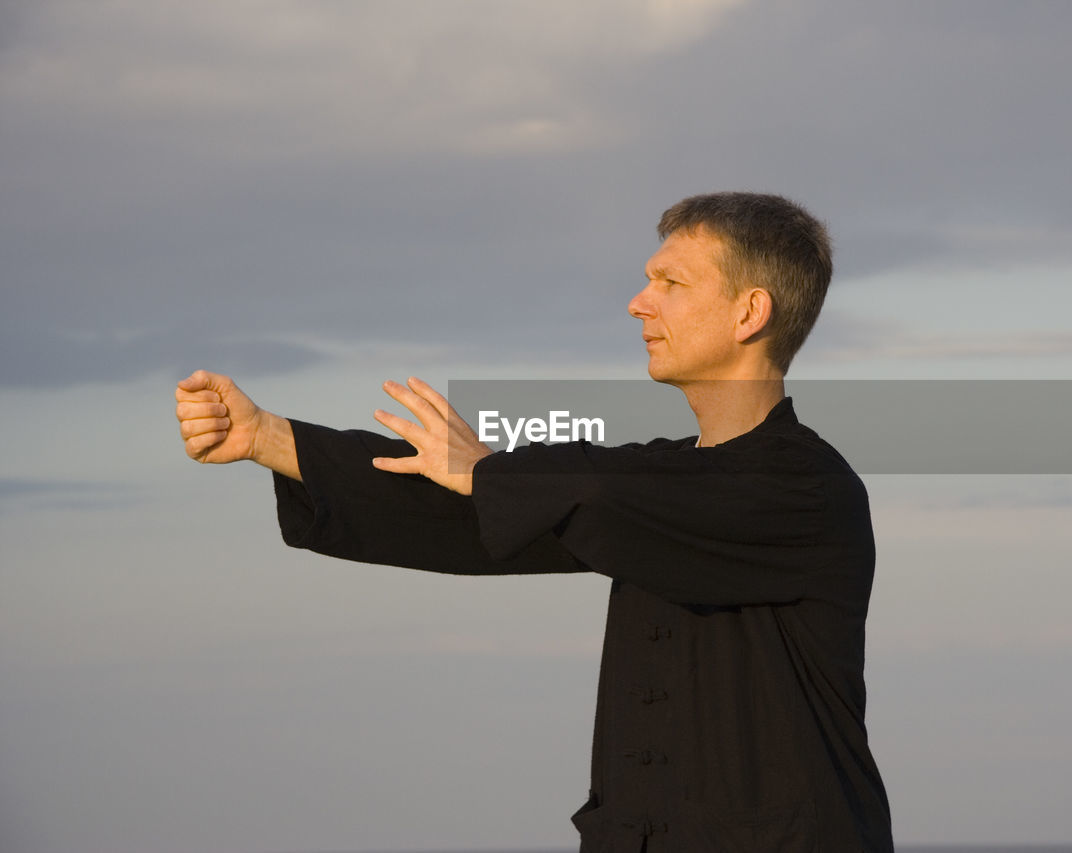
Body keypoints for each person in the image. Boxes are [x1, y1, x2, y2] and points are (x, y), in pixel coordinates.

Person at [175, 192, 894, 851]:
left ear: (749, 312)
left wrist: (488, 472)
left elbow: (584, 493)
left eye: (670, 282)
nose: (640, 303)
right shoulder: (650, 479)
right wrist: (267, 437)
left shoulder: (811, 492)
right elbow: (471, 514)